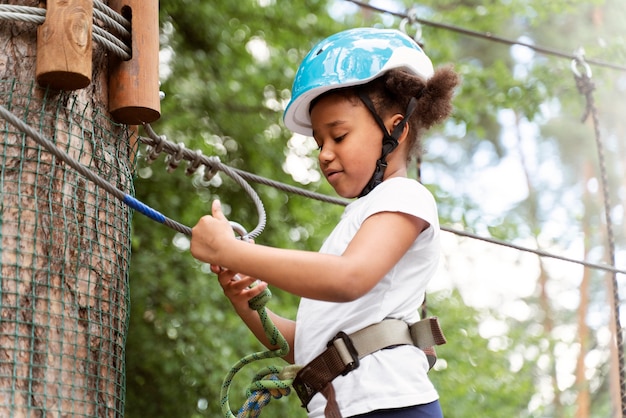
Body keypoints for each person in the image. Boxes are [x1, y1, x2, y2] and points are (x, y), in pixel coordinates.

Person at [190, 27, 460, 418]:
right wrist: (247, 303)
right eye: (320, 142)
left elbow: (348, 278)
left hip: (389, 406)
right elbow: (309, 349)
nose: (325, 154)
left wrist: (230, 250)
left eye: (339, 135)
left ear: (396, 130)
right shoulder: (357, 221)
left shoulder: (406, 197)